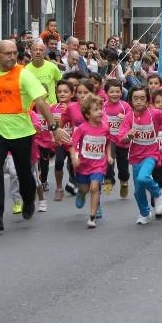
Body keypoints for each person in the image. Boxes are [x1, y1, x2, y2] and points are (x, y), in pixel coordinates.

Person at [0, 39, 68, 233]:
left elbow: (40, 102)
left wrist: (53, 127)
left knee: (24, 172)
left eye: (14, 53)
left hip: (22, 132)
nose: (12, 57)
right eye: (7, 53)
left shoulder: (23, 74)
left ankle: (28, 201)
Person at [117, 86, 162, 224]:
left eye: (142, 98)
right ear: (130, 101)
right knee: (138, 190)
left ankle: (158, 193)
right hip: (136, 156)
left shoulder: (154, 113)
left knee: (143, 178)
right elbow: (122, 138)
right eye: (135, 98)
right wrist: (128, 136)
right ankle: (144, 213)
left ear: (148, 100)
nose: (139, 101)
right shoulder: (128, 118)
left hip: (151, 154)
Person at [69, 94, 113, 228]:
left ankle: (92, 217)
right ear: (87, 114)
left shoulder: (105, 128)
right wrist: (74, 158)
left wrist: (109, 155)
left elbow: (108, 143)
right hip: (83, 165)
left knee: (94, 188)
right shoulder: (81, 129)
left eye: (101, 109)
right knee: (84, 188)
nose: (100, 112)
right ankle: (81, 194)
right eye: (96, 110)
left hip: (99, 165)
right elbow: (73, 146)